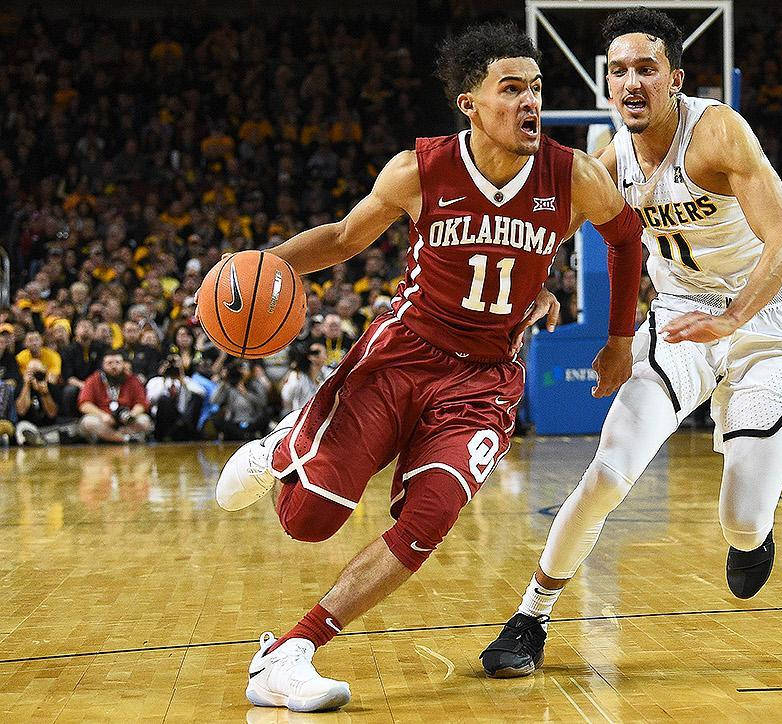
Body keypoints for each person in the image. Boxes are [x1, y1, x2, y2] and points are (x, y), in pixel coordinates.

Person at [215, 24, 643, 712]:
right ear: (470, 103)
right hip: (402, 354)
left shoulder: (573, 176)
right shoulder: (420, 169)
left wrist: (619, 338)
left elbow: (626, 239)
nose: (531, 101)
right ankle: (282, 446)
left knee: (430, 515)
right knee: (308, 521)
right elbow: (346, 238)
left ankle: (289, 652)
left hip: (484, 381)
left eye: (537, 88)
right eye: (512, 89)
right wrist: (264, 266)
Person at [481, 8, 782, 679]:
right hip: (680, 321)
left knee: (743, 522)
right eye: (619, 71)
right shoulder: (611, 159)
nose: (631, 81)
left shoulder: (717, 130)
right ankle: (531, 616)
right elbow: (551, 227)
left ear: (675, 79)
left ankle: (753, 527)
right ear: (607, 85)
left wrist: (733, 318)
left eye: (646, 68)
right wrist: (542, 286)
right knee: (608, 470)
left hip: (766, 323)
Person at [77, 352, 153, 443]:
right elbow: (84, 404)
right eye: (109, 363)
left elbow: (141, 403)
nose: (114, 366)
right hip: (104, 420)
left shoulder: (133, 380)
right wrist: (102, 415)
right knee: (88, 422)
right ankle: (125, 439)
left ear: (123, 364)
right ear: (103, 366)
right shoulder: (93, 380)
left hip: (126, 420)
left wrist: (131, 415)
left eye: (117, 363)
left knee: (145, 421)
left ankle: (110, 437)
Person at [280, 343, 327, 413]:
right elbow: (286, 397)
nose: (314, 357)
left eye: (317, 353)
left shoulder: (327, 373)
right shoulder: (297, 376)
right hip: (300, 416)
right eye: (313, 353)